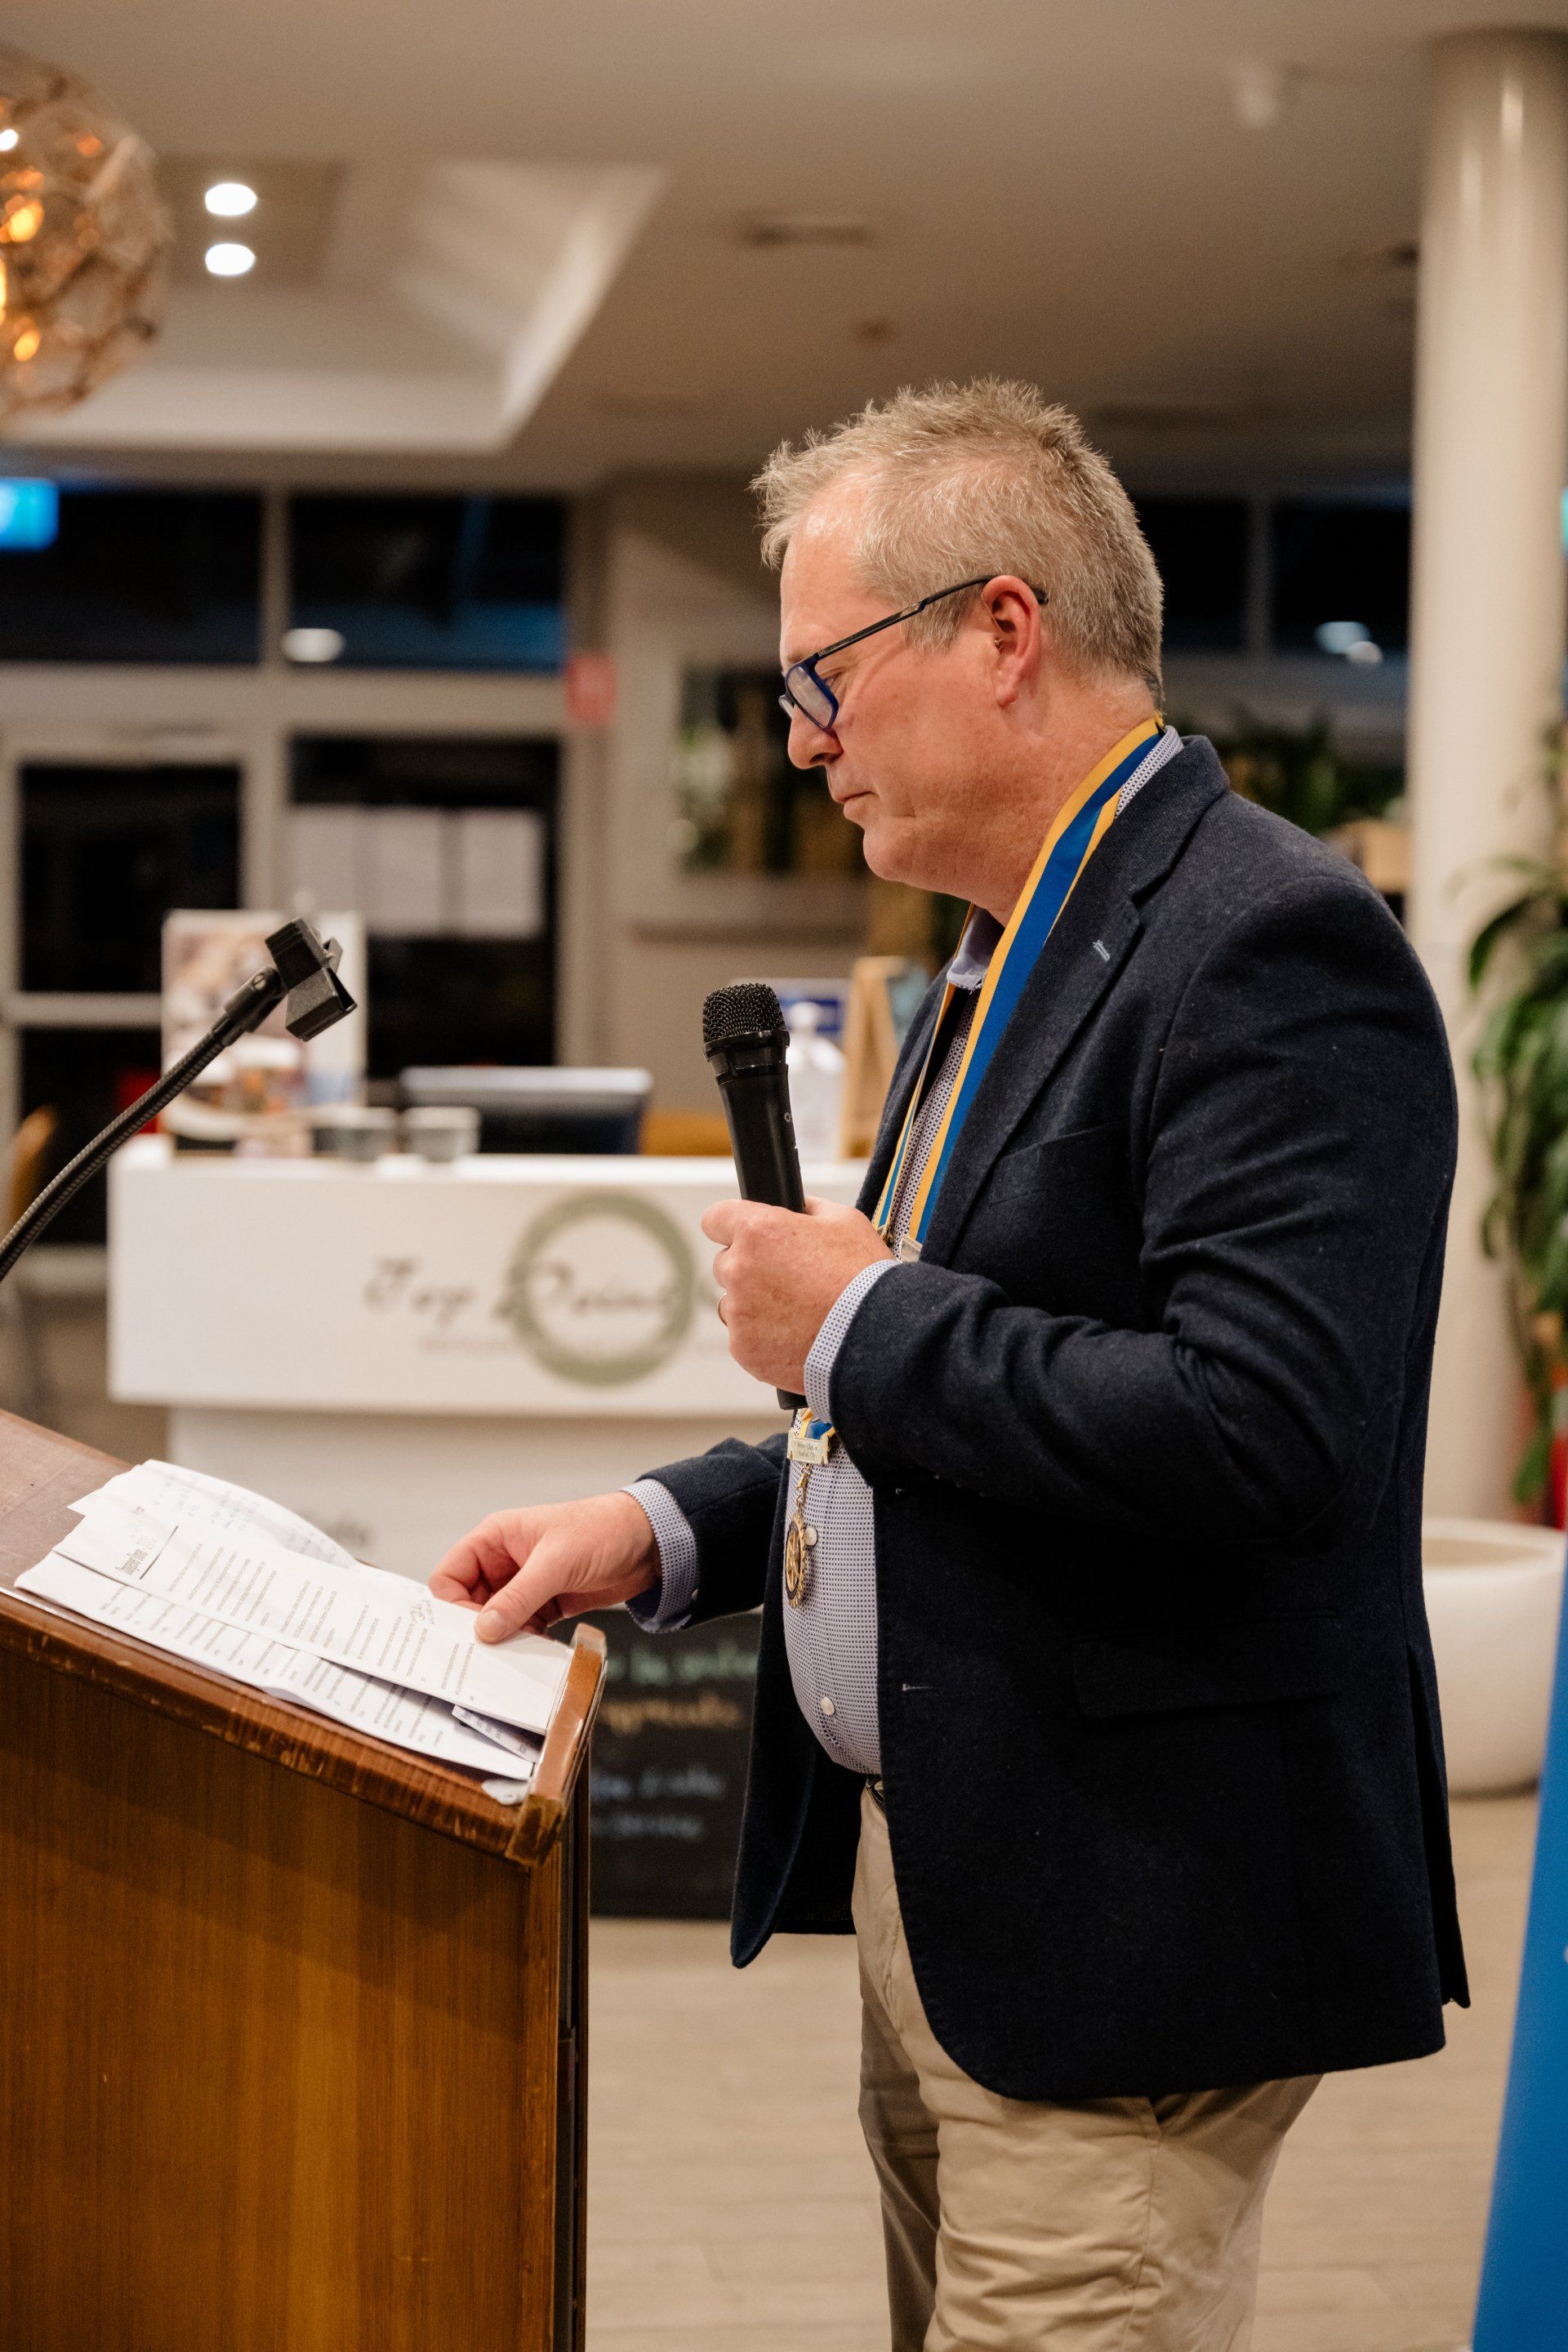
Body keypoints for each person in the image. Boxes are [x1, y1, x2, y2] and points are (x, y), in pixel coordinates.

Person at [431, 379, 1467, 2350]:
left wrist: (857, 1314)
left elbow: (1266, 1434)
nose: (802, 740)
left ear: (1004, 632)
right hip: (966, 1872)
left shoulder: (1267, 943)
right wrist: (661, 1529)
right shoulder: (1011, 938)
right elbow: (920, 1414)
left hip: (1133, 1913)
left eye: (825, 675)